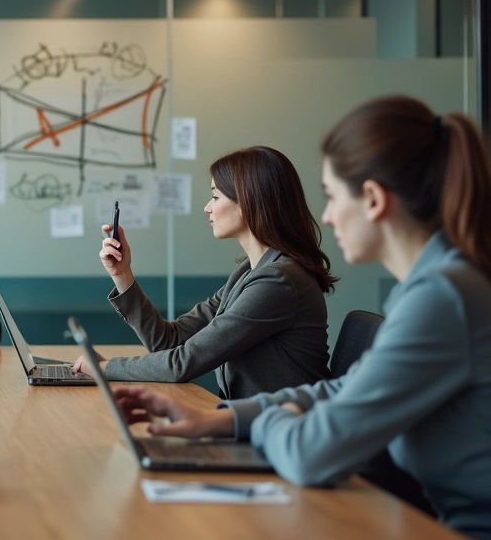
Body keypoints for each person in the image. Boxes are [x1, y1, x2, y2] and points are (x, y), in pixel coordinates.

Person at [109, 96, 491, 540]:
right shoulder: (431, 289)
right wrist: (224, 420)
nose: (325, 216)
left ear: (372, 199)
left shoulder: (440, 298)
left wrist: (272, 417)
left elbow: (311, 451)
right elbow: (344, 390)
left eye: (331, 196)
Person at [73, 146, 335, 400]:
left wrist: (106, 368)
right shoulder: (248, 273)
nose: (207, 208)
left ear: (248, 202)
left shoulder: (278, 281)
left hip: (283, 434)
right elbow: (168, 342)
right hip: (256, 425)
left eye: (216, 196)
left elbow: (182, 363)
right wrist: (123, 274)